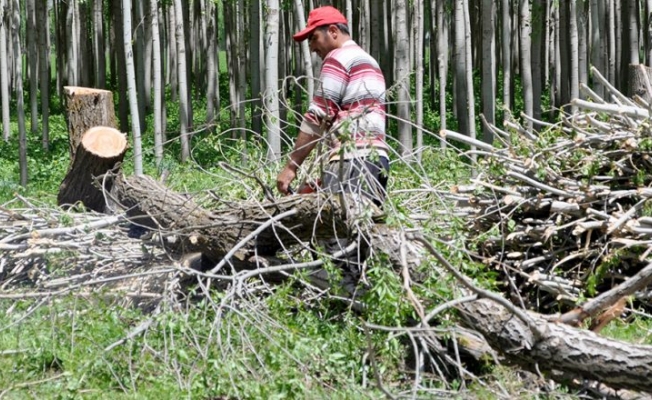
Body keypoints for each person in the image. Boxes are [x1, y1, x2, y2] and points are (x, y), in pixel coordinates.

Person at [275, 6, 390, 292]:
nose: (312, 47)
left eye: (313, 39)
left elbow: (318, 116)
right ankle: (361, 302)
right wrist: (322, 180)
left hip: (352, 161)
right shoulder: (368, 60)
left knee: (337, 243)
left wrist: (292, 166)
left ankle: (341, 304)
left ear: (333, 32)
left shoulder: (337, 58)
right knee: (362, 236)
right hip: (376, 160)